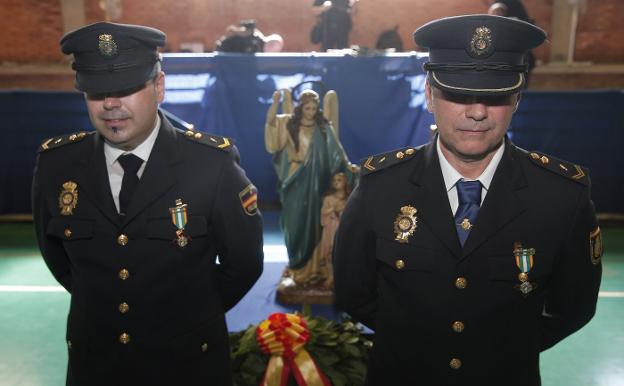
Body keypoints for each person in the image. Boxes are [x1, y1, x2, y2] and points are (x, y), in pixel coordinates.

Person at [333, 14, 602, 386]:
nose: (476, 112)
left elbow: (573, 307)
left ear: (517, 99)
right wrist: (418, 343)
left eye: (495, 96)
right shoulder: (381, 187)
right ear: (429, 95)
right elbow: (352, 290)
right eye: (458, 94)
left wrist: (501, 349)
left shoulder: (561, 196)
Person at [32, 22, 263, 386]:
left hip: (186, 364)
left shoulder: (211, 164)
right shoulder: (57, 165)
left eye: (125, 89)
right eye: (95, 91)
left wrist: (187, 317)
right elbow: (59, 259)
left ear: (159, 86)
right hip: (97, 364)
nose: (110, 104)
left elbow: (244, 263)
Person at [265, 88, 355, 288]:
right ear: (301, 108)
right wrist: (275, 102)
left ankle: (315, 270)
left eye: (314, 108)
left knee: (315, 224)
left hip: (317, 184)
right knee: (293, 223)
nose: (311, 112)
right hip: (294, 181)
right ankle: (296, 266)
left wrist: (348, 169)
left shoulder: (323, 128)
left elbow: (337, 155)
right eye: (307, 108)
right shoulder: (290, 124)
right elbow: (271, 124)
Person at [292, 172, 351, 287]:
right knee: (329, 253)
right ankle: (330, 276)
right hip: (330, 229)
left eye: (339, 180)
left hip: (343, 230)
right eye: (334, 180)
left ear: (345, 182)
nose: (336, 183)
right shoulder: (328, 198)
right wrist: (334, 209)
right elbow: (323, 213)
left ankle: (341, 277)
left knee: (342, 253)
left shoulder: (350, 198)